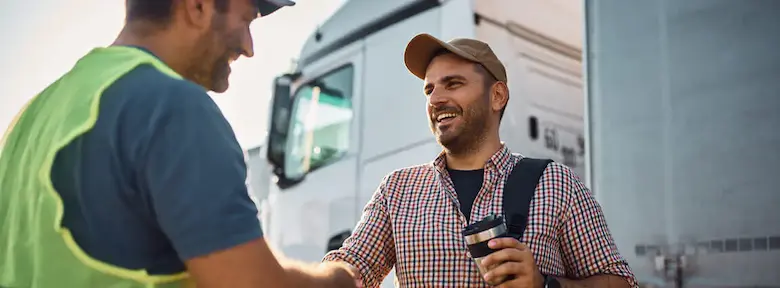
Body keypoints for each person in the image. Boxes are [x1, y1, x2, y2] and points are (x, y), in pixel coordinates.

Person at [0, 0, 359, 287]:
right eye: (247, 19)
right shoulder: (169, 106)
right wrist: (336, 281)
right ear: (198, 6)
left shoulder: (28, 121)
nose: (249, 47)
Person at [322, 33, 638, 288]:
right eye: (429, 89)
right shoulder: (398, 190)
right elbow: (351, 268)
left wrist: (545, 285)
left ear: (497, 96)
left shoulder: (556, 183)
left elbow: (621, 283)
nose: (435, 98)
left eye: (453, 84)